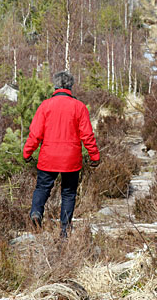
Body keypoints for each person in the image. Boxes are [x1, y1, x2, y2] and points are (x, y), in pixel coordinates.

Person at [23, 71, 100, 235]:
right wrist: (94, 156)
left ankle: (36, 212)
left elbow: (35, 133)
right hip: (71, 159)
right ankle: (65, 230)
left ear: (55, 86)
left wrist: (27, 152)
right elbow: (87, 135)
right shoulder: (79, 106)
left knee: (42, 188)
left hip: (48, 156)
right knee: (68, 193)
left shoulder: (45, 105)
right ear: (70, 86)